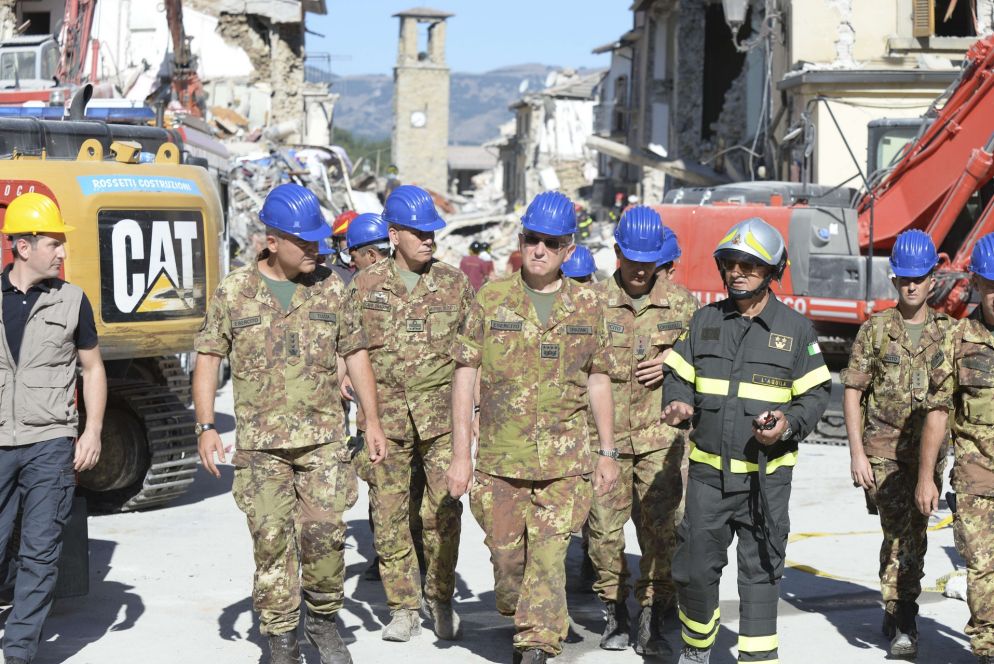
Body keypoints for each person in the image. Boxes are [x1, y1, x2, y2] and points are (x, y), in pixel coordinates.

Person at [193, 183, 388, 664]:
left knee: (324, 540)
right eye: (305, 242)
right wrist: (205, 425)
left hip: (323, 442)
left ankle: (322, 620)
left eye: (319, 242)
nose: (316, 251)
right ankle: (281, 638)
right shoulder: (234, 292)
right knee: (272, 542)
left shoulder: (332, 288)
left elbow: (356, 352)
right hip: (261, 447)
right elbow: (208, 357)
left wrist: (372, 418)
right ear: (273, 240)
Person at [447, 190, 621, 664]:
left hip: (565, 463)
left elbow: (599, 378)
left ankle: (537, 645)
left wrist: (607, 451)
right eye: (531, 239)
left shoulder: (588, 304)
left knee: (548, 561)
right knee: (508, 561)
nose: (539, 249)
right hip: (500, 461)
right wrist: (461, 454)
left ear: (568, 249)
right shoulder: (491, 298)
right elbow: (464, 377)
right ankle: (521, 607)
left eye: (550, 242)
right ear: (520, 241)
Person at [662, 217, 831, 664]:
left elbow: (816, 393)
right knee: (695, 570)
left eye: (750, 265)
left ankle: (758, 657)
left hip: (765, 481)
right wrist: (678, 404)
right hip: (707, 479)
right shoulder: (705, 321)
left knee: (761, 573)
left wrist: (788, 425)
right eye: (731, 263)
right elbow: (677, 375)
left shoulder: (796, 331)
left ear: (773, 271)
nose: (737, 272)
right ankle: (697, 648)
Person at [348, 184, 474, 642]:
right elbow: (346, 345)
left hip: (441, 420)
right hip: (386, 422)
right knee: (388, 514)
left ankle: (440, 598)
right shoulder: (363, 285)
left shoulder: (456, 284)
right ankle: (402, 606)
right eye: (419, 232)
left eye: (433, 233)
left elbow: (471, 357)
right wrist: (346, 378)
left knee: (442, 513)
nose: (429, 240)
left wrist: (473, 416)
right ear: (394, 233)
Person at [587, 207, 699, 656]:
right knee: (603, 533)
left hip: (660, 439)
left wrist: (675, 360)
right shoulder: (591, 303)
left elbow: (704, 365)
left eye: (647, 260)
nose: (639, 269)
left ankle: (652, 618)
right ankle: (614, 611)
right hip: (606, 441)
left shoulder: (683, 304)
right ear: (616, 253)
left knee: (662, 532)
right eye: (630, 258)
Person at [0, 192, 106, 664]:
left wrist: (93, 430)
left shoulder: (72, 300)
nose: (62, 252)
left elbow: (93, 369)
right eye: (54, 242)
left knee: (41, 552)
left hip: (49, 443)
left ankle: (18, 651)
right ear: (23, 247)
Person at [841, 229, 952, 658]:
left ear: (932, 279)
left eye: (919, 277)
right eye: (904, 278)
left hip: (928, 457)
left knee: (914, 533)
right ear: (894, 280)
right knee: (901, 532)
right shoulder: (876, 330)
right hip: (883, 452)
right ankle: (905, 615)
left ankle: (896, 604)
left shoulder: (949, 333)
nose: (911, 285)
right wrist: (856, 453)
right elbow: (852, 390)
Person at [917, 233, 994, 664]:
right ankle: (987, 648)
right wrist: (927, 476)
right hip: (977, 476)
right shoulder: (957, 339)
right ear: (978, 287)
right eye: (990, 285)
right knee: (983, 569)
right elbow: (938, 414)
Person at [330, 210, 358, 283]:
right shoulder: (328, 271)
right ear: (337, 243)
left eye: (355, 237)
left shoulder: (374, 264)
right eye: (346, 238)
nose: (351, 242)